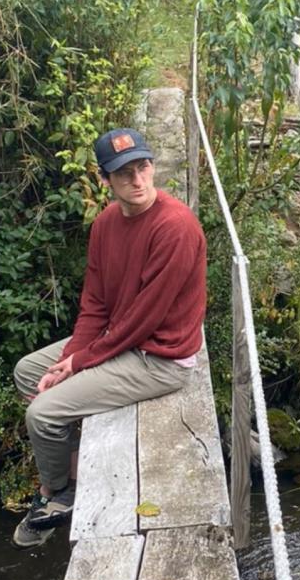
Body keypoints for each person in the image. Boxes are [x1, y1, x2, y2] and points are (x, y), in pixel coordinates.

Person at [12, 128, 206, 548]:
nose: (138, 181)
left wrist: (79, 362)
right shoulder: (105, 225)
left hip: (160, 357)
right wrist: (74, 354)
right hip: (119, 338)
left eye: (143, 167)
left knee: (42, 415)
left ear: (152, 166)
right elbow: (96, 303)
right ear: (105, 180)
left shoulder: (175, 227)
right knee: (28, 372)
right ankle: (76, 460)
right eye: (124, 174)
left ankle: (57, 493)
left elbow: (144, 318)